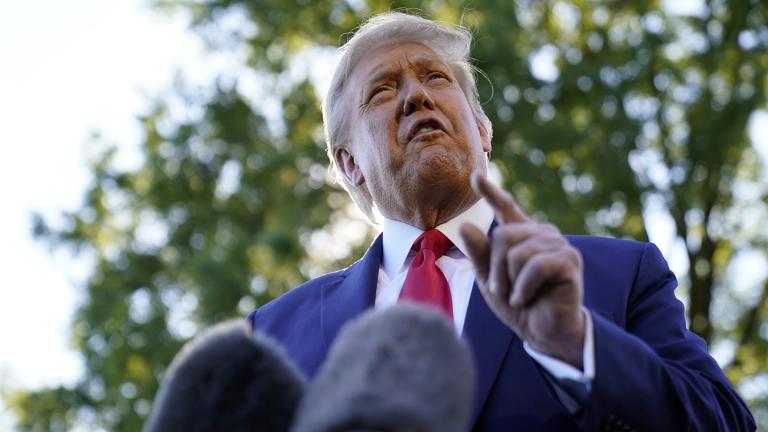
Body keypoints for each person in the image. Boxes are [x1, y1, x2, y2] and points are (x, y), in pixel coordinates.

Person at [247, 12, 755, 431]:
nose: (415, 97)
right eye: (381, 91)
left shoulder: (620, 276)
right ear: (351, 163)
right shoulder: (271, 335)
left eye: (435, 77)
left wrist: (575, 342)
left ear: (483, 130)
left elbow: (723, 422)